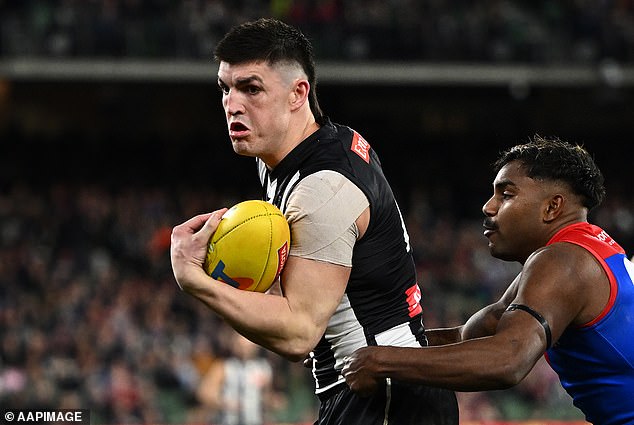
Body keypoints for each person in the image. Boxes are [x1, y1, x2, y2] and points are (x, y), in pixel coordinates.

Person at [170, 17, 458, 425]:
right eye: (225, 88)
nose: (232, 104)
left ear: (297, 93)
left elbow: (299, 331)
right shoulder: (291, 156)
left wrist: (194, 279)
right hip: (369, 384)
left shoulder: (324, 185)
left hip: (388, 392)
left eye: (251, 88)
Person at [342, 136, 634, 424]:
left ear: (552, 207)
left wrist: (381, 362)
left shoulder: (564, 260)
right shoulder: (590, 250)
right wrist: (358, 347)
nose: (488, 207)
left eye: (506, 195)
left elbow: (508, 360)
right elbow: (465, 338)